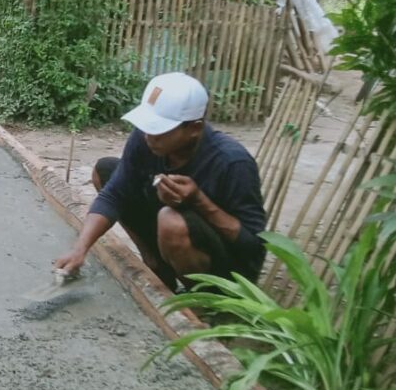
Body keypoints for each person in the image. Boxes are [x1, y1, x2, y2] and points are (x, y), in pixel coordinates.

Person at [54, 73, 267, 291]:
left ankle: (201, 301)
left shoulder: (232, 162)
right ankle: (155, 264)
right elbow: (115, 194)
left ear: (194, 129)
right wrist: (80, 248)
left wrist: (198, 201)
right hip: (171, 237)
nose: (148, 137)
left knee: (171, 221)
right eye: (148, 127)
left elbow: (253, 246)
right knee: (106, 170)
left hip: (225, 270)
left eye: (159, 130)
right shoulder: (145, 139)